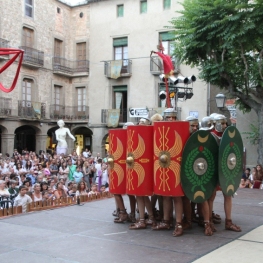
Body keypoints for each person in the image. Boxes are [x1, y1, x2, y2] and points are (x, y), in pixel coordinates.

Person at [152, 108, 184, 237]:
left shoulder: (181, 129)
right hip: (163, 166)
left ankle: (179, 223)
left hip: (177, 166)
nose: (171, 120)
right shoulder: (159, 130)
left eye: (173, 117)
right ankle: (166, 220)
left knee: (176, 195)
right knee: (165, 195)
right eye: (168, 117)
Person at [211, 114, 241, 232]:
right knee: (211, 196)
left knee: (228, 194)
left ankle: (228, 222)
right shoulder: (211, 135)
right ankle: (208, 221)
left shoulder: (227, 136)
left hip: (225, 170)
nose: (224, 126)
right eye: (222, 123)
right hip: (213, 169)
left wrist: (234, 125)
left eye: (225, 123)